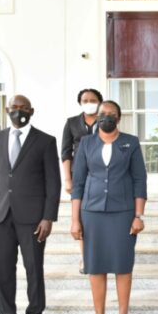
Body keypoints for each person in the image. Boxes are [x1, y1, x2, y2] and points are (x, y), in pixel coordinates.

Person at [0, 95, 61, 314]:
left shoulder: (45, 141)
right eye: (15, 107)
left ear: (32, 111)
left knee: (34, 270)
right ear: (7, 110)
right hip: (0, 216)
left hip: (33, 219)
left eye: (24, 108)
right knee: (2, 271)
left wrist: (48, 217)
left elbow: (52, 183)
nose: (19, 111)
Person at [70, 100, 148, 314]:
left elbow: (139, 180)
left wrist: (138, 215)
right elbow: (78, 183)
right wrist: (75, 220)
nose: (106, 117)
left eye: (111, 114)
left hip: (123, 213)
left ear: (119, 118)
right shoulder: (86, 143)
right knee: (95, 267)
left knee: (123, 266)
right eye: (103, 114)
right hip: (92, 212)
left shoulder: (130, 142)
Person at [62, 88, 102, 274]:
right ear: (80, 102)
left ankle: (100, 255)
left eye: (93, 99)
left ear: (100, 102)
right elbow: (65, 152)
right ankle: (85, 257)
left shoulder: (106, 121)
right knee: (81, 217)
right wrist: (68, 179)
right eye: (85, 100)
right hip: (79, 175)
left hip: (102, 175)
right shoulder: (71, 123)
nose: (89, 102)